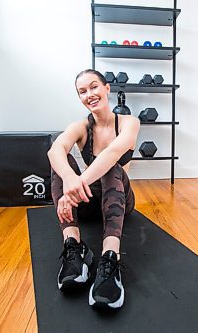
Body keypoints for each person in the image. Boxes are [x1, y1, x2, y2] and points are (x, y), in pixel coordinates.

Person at [47, 69, 140, 309]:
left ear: (107, 88)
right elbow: (54, 150)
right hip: (90, 200)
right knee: (61, 161)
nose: (90, 94)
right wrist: (69, 179)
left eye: (94, 86)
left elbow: (111, 154)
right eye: (82, 91)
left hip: (120, 198)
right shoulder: (80, 127)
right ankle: (74, 247)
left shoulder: (129, 122)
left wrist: (74, 188)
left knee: (111, 166)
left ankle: (110, 258)